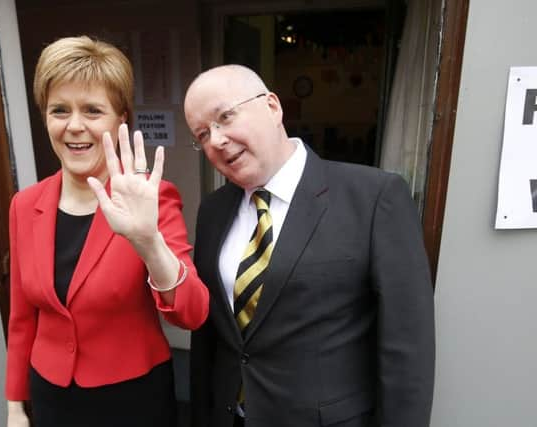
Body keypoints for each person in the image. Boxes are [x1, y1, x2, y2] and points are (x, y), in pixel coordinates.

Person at [184, 64, 434, 427]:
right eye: (203, 134)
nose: (217, 140)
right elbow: (209, 336)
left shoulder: (373, 197)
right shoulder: (214, 210)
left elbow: (407, 349)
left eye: (225, 117)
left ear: (272, 106)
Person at [5, 36, 209, 427]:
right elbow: (22, 317)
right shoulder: (25, 205)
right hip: (51, 395)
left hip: (132, 397)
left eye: (93, 110)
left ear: (120, 120)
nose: (74, 126)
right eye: (59, 110)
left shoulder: (153, 197)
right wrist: (15, 406)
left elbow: (192, 313)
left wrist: (148, 242)